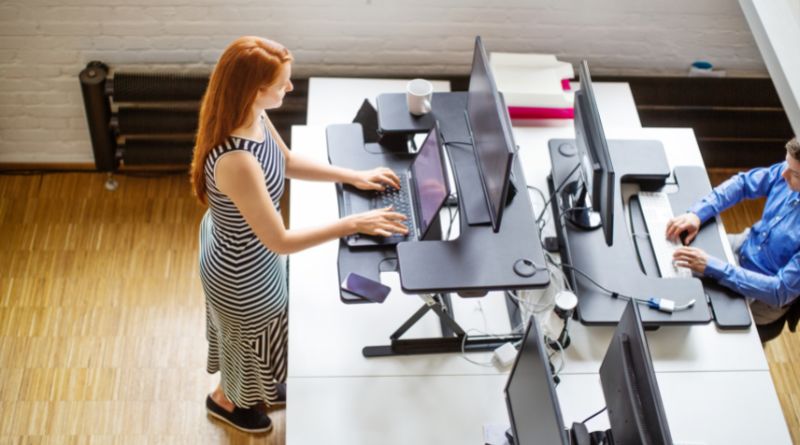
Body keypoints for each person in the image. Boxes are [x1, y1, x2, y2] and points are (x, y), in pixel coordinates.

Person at [189, 36, 408, 433]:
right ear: (256, 90)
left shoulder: (252, 114)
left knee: (262, 340)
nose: (289, 88)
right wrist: (355, 223)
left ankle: (256, 387)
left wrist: (353, 175)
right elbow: (281, 241)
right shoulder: (236, 161)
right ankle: (226, 403)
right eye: (282, 83)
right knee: (248, 346)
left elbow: (286, 162)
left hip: (246, 250)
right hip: (241, 272)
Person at [666, 137, 800, 336]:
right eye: (786, 164)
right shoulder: (788, 170)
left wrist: (713, 267)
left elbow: (778, 290)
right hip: (745, 245)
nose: (783, 174)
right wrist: (697, 213)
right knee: (671, 257)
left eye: (795, 174)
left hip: (762, 290)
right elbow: (743, 184)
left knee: (698, 326)